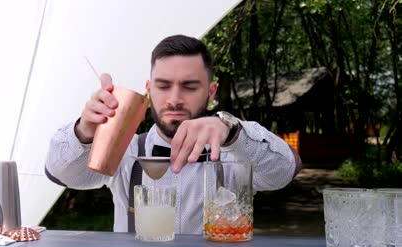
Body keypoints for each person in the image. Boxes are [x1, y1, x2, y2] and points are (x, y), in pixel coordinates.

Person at [45, 34, 301, 234]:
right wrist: (86, 130)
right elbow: (63, 174)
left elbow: (284, 171)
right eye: (163, 86)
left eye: (189, 86)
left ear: (211, 92)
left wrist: (232, 130)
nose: (174, 100)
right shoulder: (126, 149)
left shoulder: (236, 150)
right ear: (149, 89)